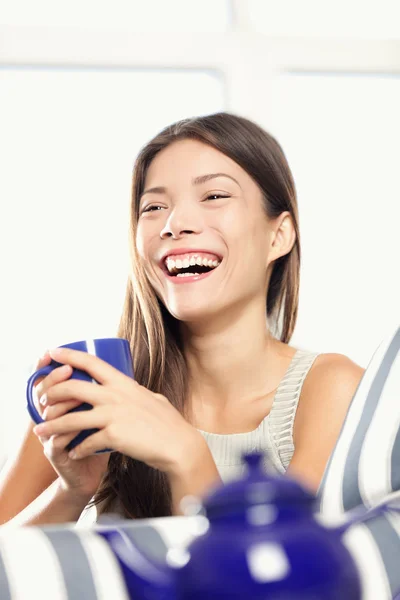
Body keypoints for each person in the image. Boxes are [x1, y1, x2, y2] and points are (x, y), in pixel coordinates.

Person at [0, 112, 364, 526]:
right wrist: (72, 491)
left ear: (278, 236)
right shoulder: (94, 390)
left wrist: (187, 456)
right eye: (154, 206)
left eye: (214, 196)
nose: (174, 225)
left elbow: (264, 576)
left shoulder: (332, 390)